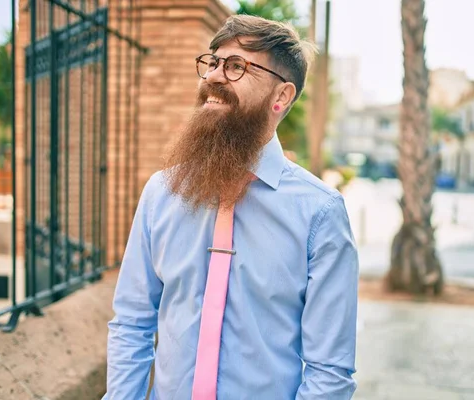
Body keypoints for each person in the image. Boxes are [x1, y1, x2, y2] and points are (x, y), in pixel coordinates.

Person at [103, 15, 359, 400]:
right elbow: (132, 324)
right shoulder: (161, 192)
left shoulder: (320, 214)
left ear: (282, 96)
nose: (214, 76)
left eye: (237, 65)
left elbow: (330, 371)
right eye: (213, 62)